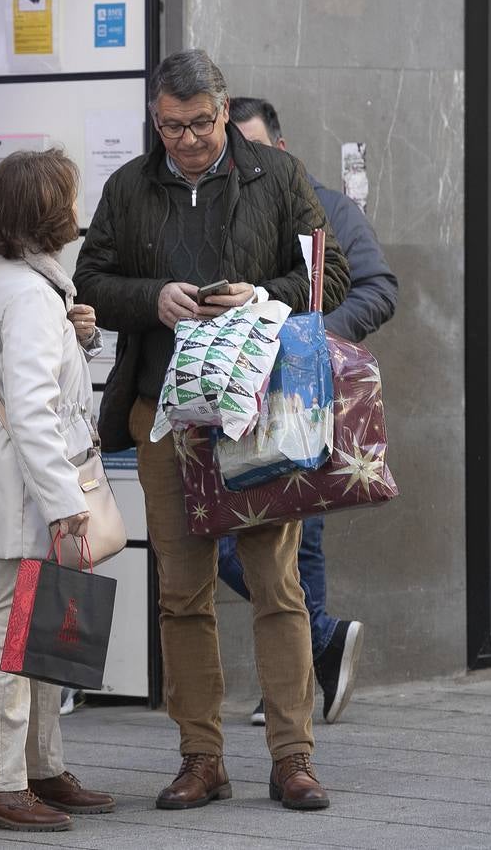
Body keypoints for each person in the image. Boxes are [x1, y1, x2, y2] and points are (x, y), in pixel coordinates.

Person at [74, 49, 350, 813]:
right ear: (155, 120)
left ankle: (292, 757)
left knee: (276, 586)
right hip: (164, 415)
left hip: (260, 413)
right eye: (171, 127)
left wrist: (260, 296)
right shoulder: (130, 186)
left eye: (199, 124)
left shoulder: (278, 176)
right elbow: (91, 280)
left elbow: (330, 276)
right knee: (182, 593)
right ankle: (202, 758)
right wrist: (151, 297)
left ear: (224, 112)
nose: (187, 140)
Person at [221, 96, 399, 727]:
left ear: (282, 146)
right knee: (226, 543)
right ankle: (318, 645)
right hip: (234, 404)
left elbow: (379, 289)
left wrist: (310, 341)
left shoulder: (328, 207)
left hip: (306, 397)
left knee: (304, 537)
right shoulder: (221, 207)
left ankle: (292, 681)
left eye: (255, 145)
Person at [0, 149, 114, 832]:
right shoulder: (25, 293)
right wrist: (67, 505)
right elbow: (35, 411)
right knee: (17, 634)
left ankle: (37, 768)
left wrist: (80, 336)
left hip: (17, 483)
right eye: (67, 198)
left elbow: (43, 388)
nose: (75, 211)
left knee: (38, 629)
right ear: (46, 212)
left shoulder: (20, 283)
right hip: (28, 487)